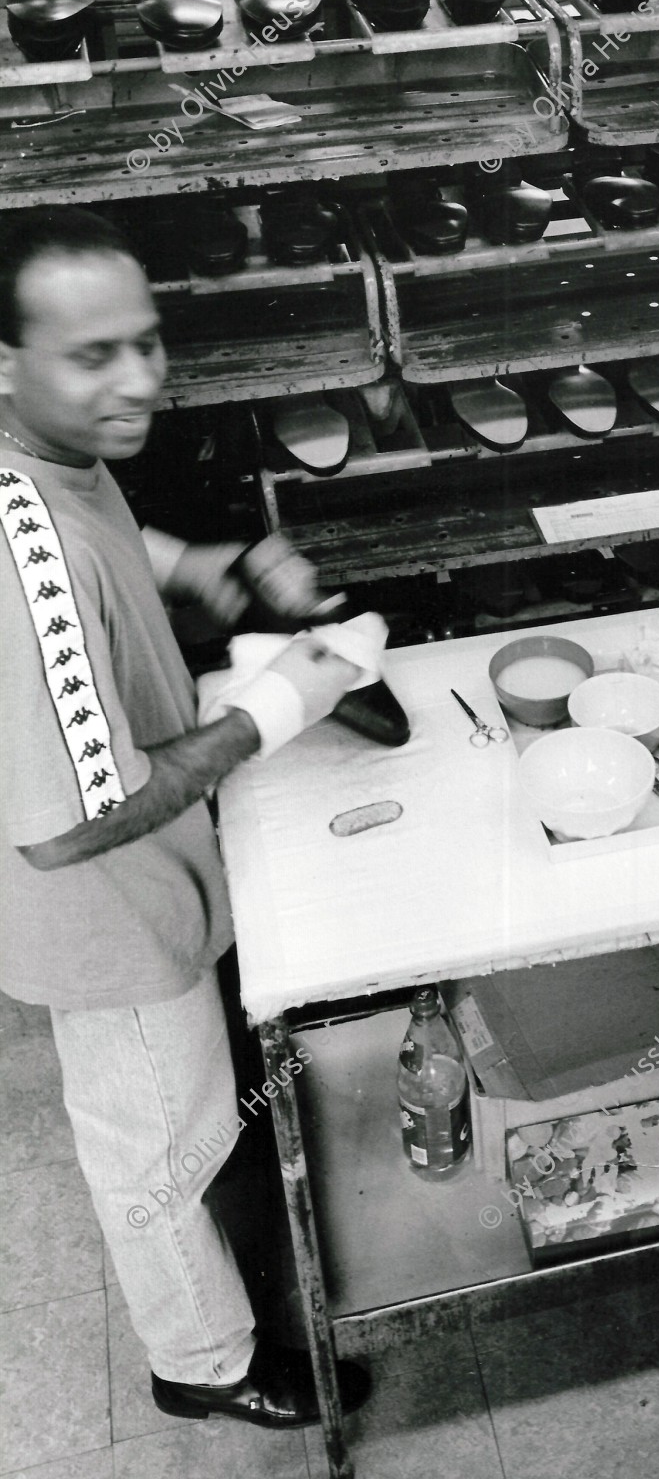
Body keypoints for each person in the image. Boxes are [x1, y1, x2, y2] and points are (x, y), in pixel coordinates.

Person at [0, 206, 377, 1427]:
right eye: (96, 354)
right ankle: (205, 1362)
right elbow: (71, 822)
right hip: (103, 909)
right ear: (8, 364)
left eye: (146, 342)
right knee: (154, 1149)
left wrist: (178, 564)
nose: (142, 379)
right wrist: (275, 706)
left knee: (177, 1117)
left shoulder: (43, 450)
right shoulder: (21, 547)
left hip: (136, 879)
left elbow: (83, 518)